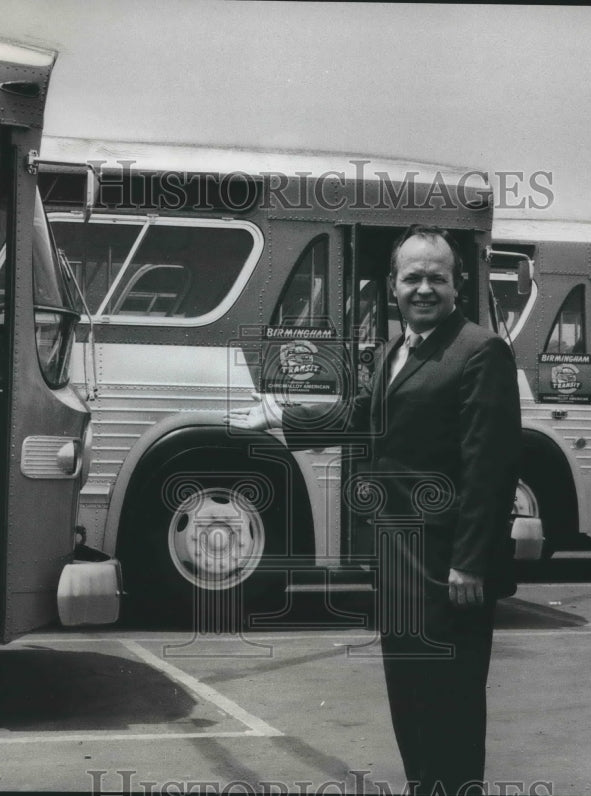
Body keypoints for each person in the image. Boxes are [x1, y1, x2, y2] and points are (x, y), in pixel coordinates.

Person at [228, 225, 521, 795]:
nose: (424, 288)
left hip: (446, 570)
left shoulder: (480, 351)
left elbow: (490, 468)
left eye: (437, 277)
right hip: (399, 565)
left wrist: (470, 561)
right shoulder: (397, 350)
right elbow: (363, 415)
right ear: (393, 285)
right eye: (412, 277)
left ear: (457, 285)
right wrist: (282, 416)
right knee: (410, 704)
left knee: (450, 710)